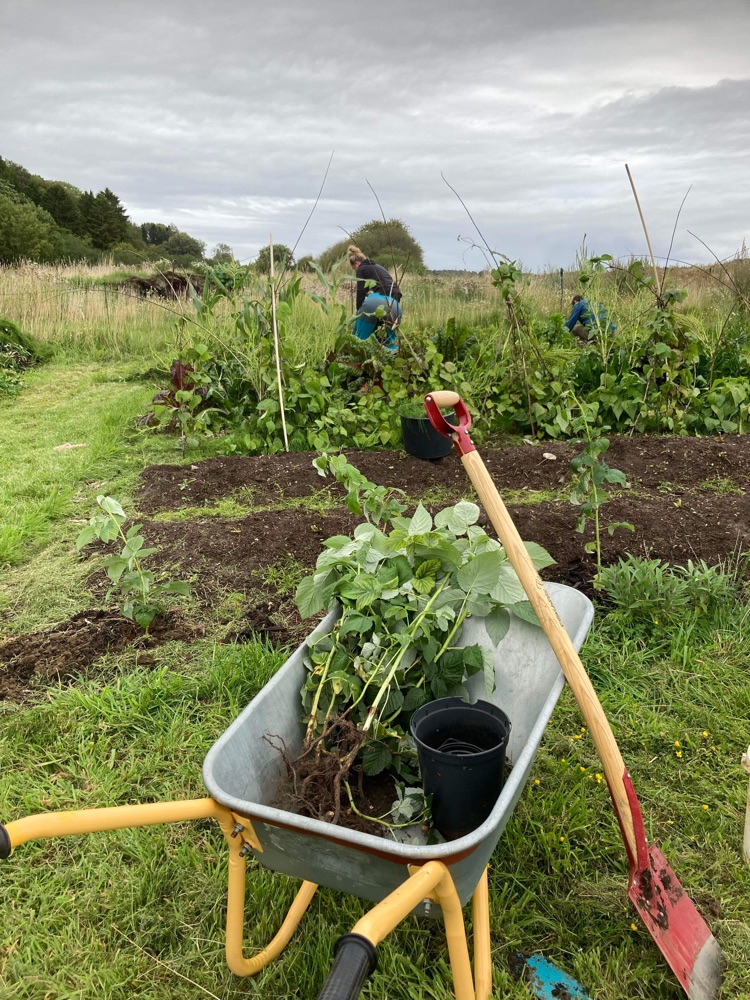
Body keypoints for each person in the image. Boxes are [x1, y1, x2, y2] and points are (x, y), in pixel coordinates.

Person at [348, 245, 403, 350]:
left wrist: (359, 312)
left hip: (377, 301)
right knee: (391, 344)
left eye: (354, 268)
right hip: (396, 305)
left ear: (357, 263)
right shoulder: (378, 267)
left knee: (359, 344)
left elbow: (361, 292)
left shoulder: (361, 269)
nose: (355, 271)